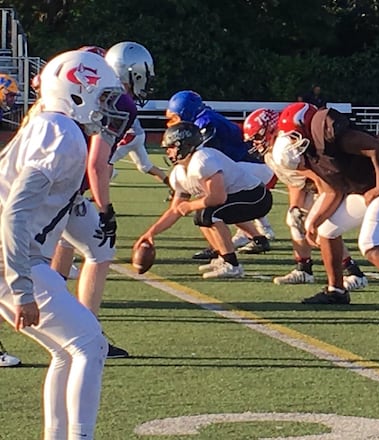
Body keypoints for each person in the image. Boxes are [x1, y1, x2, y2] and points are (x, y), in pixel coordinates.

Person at [0, 49, 126, 440]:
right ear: (77, 90)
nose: (107, 107)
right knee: (91, 346)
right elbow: (16, 213)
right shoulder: (61, 132)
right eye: (103, 96)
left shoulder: (47, 125)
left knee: (66, 350)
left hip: (13, 256)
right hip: (13, 258)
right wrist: (22, 286)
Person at [272, 102, 379, 316]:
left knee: (370, 243)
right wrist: (313, 221)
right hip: (367, 188)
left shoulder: (332, 135)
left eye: (294, 136)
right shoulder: (312, 153)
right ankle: (336, 290)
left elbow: (376, 149)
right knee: (327, 231)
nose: (293, 142)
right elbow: (332, 192)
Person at [48, 44, 139, 359]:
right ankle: (82, 333)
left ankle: (84, 332)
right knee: (21, 265)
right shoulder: (117, 102)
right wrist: (105, 209)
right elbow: (97, 163)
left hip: (56, 189)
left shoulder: (54, 100)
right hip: (46, 191)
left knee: (97, 248)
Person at [242, 108, 368, 289]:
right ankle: (303, 269)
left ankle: (353, 272)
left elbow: (318, 176)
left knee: (324, 229)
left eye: (257, 136)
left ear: (268, 128)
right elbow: (295, 181)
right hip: (312, 187)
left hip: (329, 186)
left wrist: (322, 203)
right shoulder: (272, 154)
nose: (255, 142)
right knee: (295, 221)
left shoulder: (284, 148)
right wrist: (295, 207)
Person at [134, 121, 274, 279]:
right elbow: (175, 210)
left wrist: (190, 205)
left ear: (184, 145)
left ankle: (232, 265)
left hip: (256, 197)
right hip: (239, 196)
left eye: (171, 147)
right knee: (202, 216)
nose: (168, 152)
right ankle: (223, 257)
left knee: (209, 213)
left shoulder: (203, 160)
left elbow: (218, 197)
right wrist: (150, 234)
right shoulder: (179, 173)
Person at [166, 90, 274, 258]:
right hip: (246, 165)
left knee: (212, 199)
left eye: (174, 117)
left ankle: (221, 248)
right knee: (217, 200)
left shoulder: (206, 123)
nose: (171, 123)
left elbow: (202, 156)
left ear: (185, 111)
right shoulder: (203, 118)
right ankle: (258, 237)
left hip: (251, 166)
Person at [105, 42, 170, 190]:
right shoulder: (120, 96)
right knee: (145, 166)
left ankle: (100, 195)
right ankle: (176, 186)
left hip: (131, 134)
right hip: (136, 134)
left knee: (104, 162)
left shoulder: (114, 95)